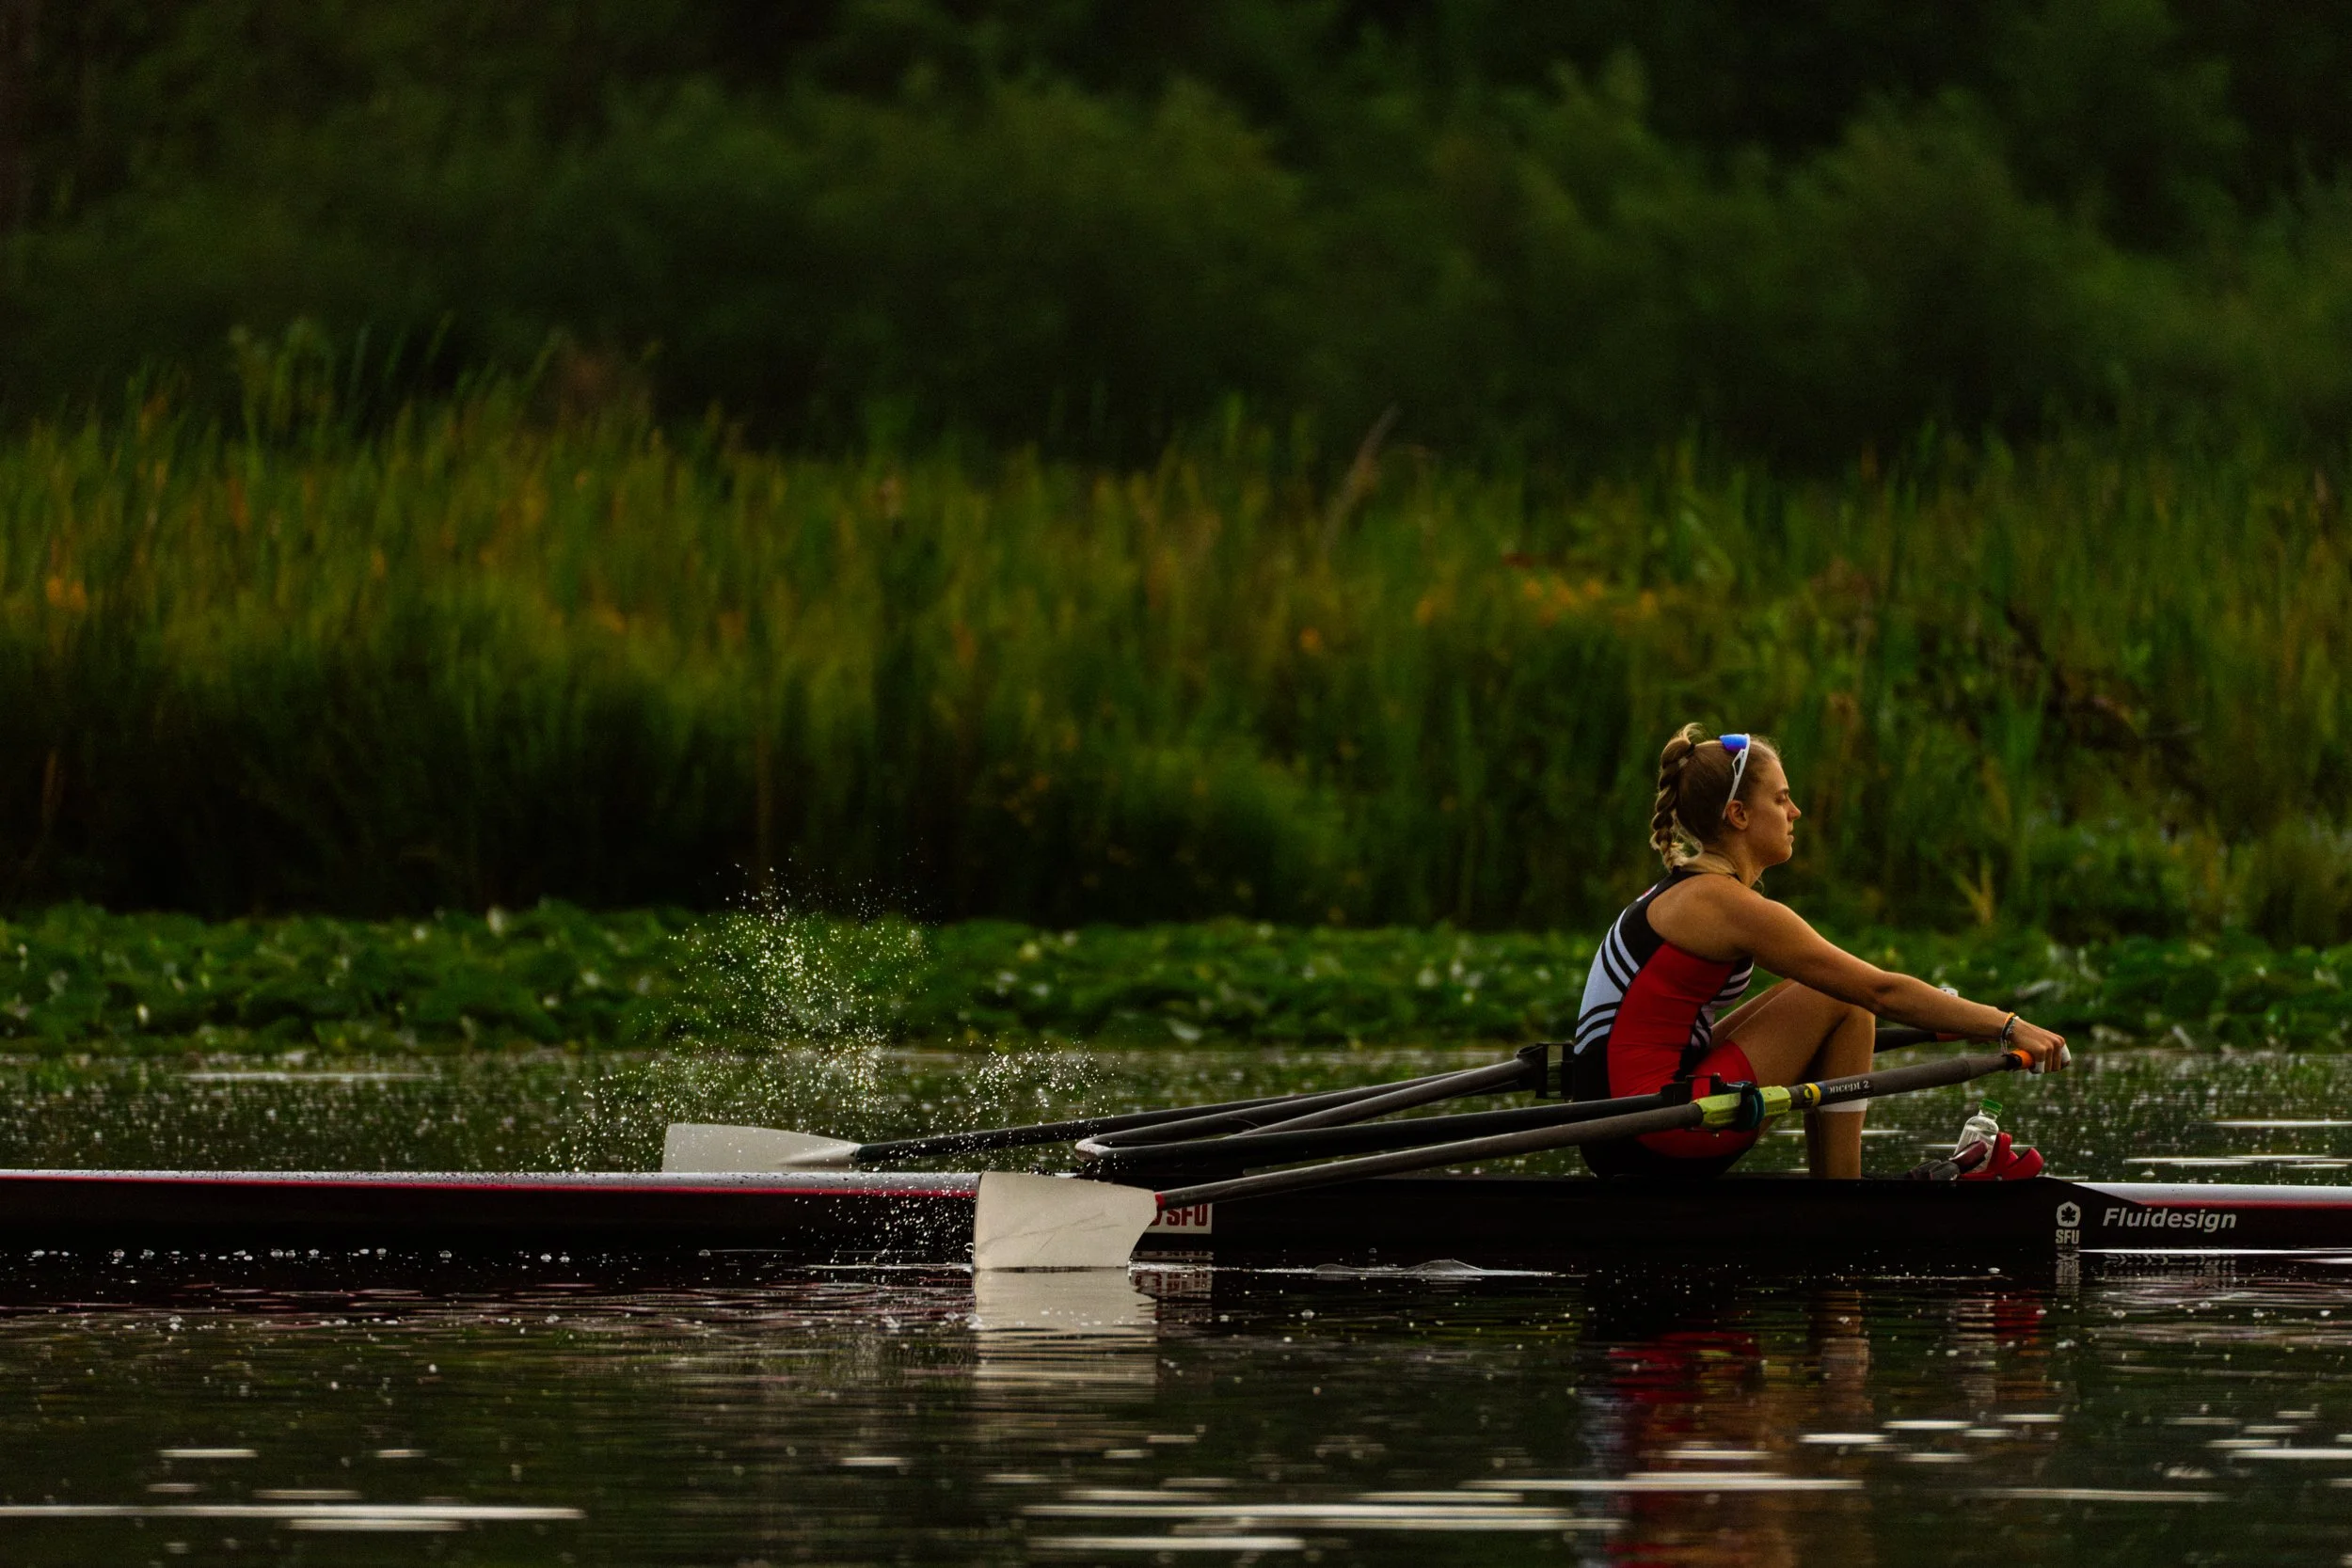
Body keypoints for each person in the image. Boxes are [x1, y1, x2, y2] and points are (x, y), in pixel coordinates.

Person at [1570, 724, 2069, 1180]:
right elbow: (1879, 989)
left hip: (1618, 1127)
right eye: (1782, 799)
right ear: (1739, 815)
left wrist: (1954, 1021)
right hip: (1649, 1135)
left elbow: (1679, 1040)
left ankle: (1838, 1191)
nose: (1796, 812)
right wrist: (2005, 1025)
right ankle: (1842, 1196)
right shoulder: (1726, 904)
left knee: (1827, 995)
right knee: (1843, 998)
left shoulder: (1685, 891)